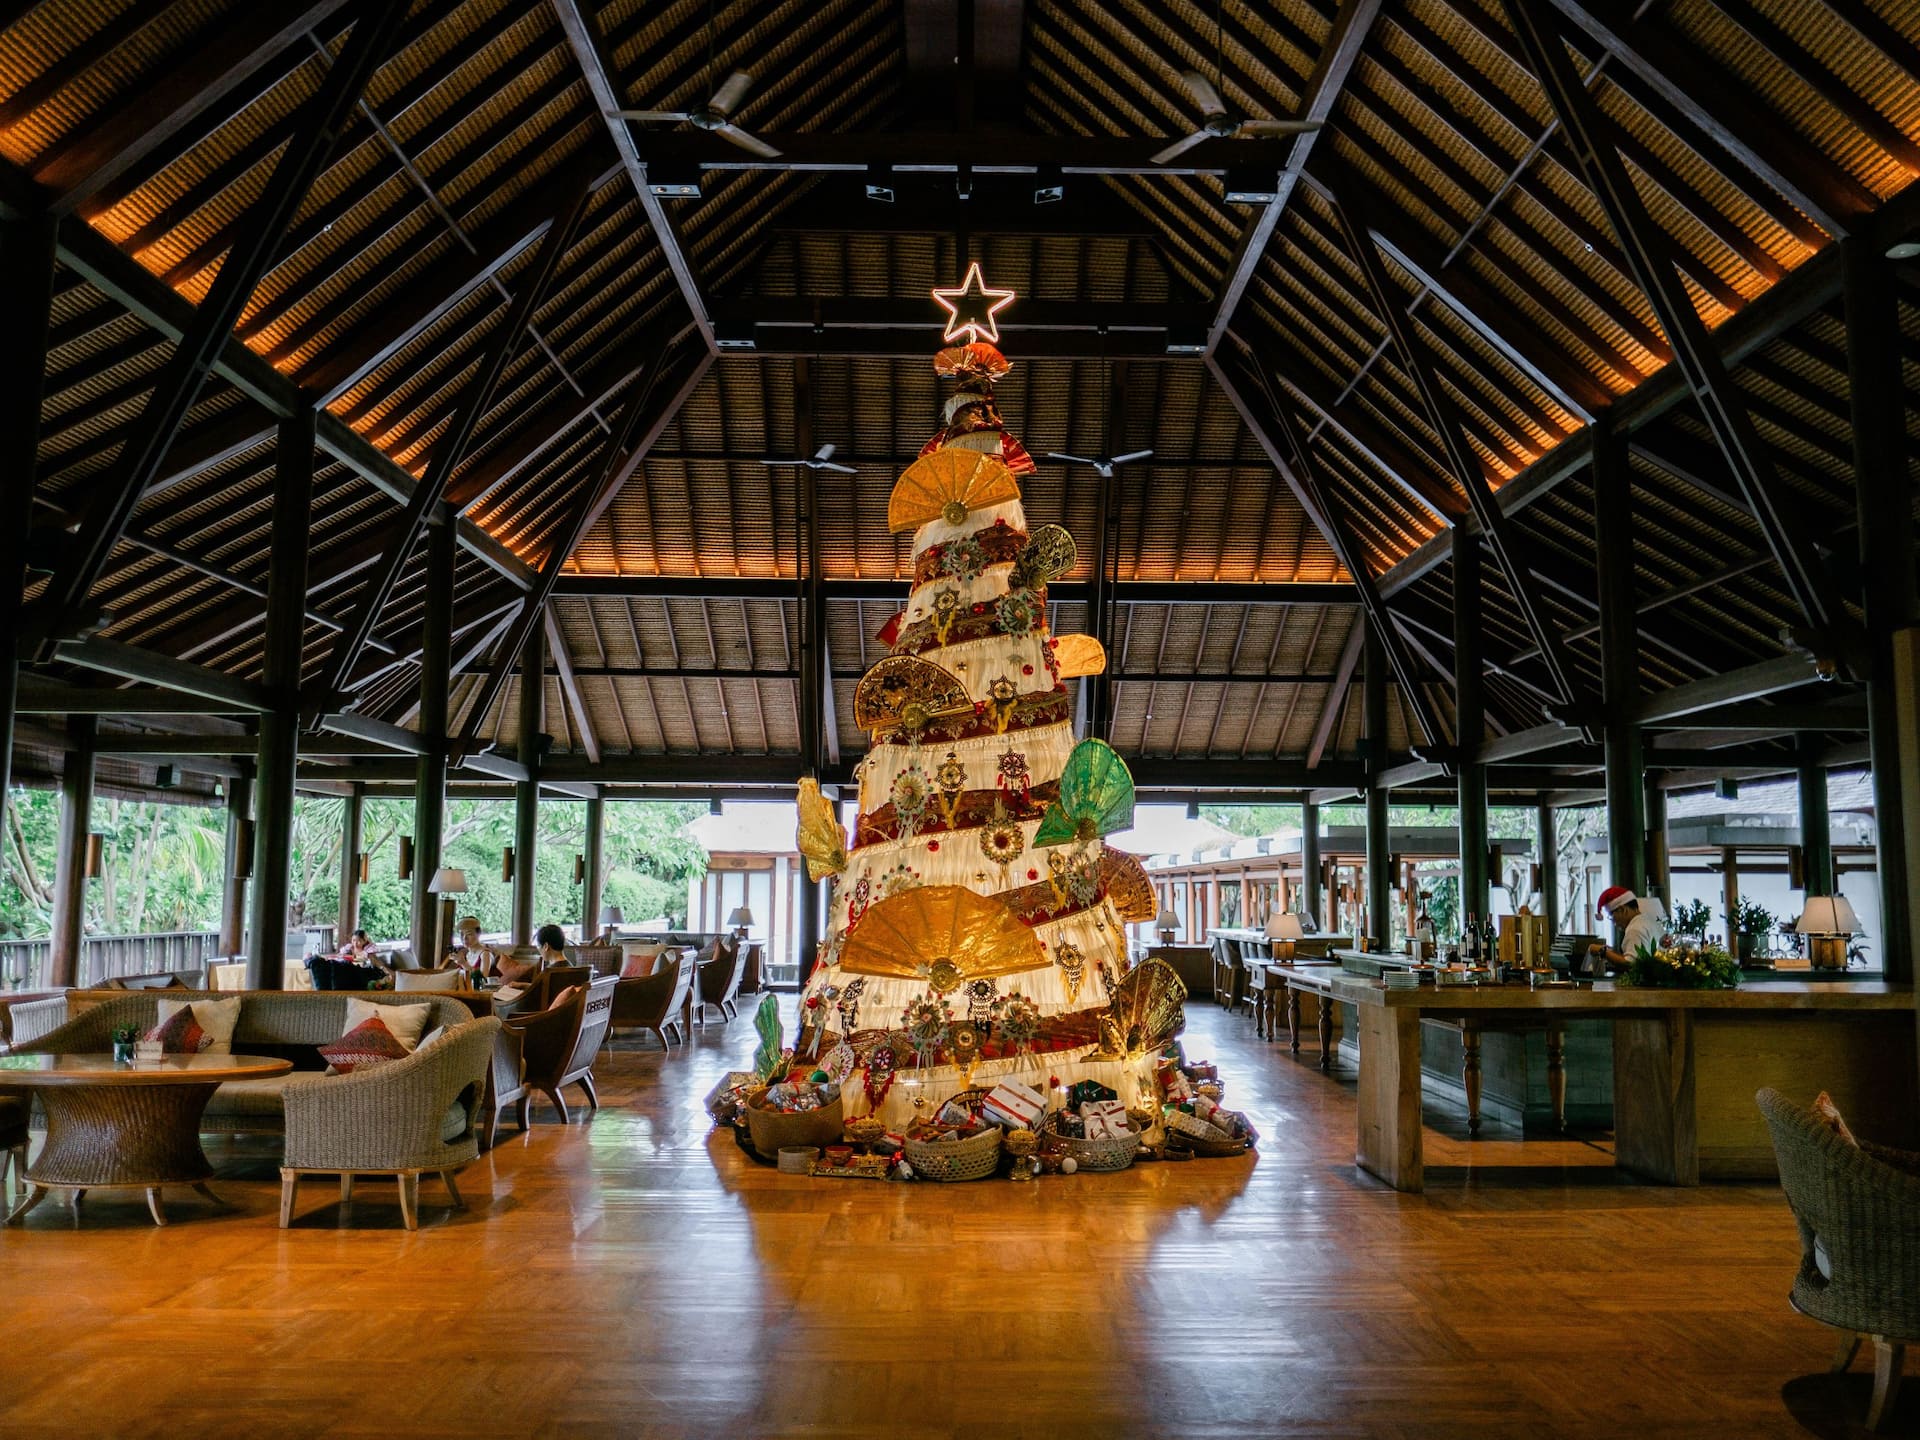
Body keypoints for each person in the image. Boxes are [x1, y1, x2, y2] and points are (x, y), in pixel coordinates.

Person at [1587, 886, 1662, 973]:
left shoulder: (1635, 929)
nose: (1614, 923)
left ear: (1623, 910)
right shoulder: (1649, 921)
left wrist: (1603, 952)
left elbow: (1631, 964)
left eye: (1611, 916)